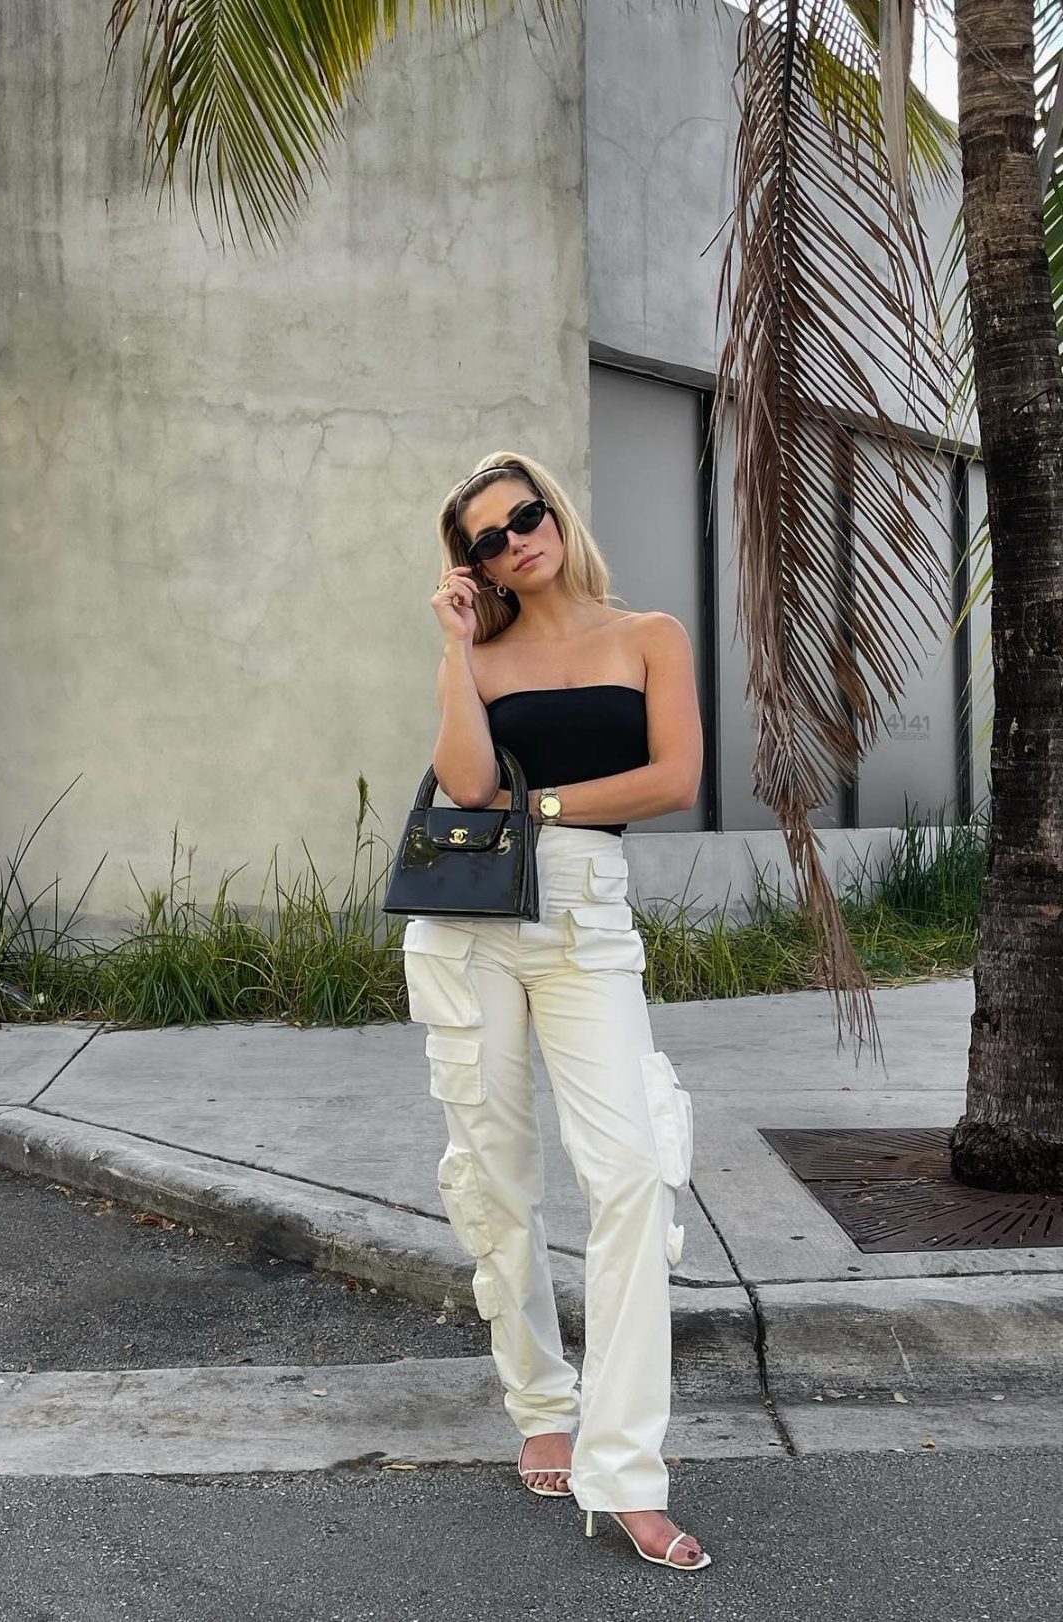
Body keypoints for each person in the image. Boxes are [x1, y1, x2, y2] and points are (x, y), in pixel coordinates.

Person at [401, 451, 711, 1571]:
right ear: (471, 564)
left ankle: (625, 1467)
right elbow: (463, 784)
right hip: (471, 927)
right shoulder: (482, 649)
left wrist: (546, 801)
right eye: (486, 539)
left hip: (587, 924)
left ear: (556, 512)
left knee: (630, 1171)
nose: (514, 541)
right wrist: (452, 646)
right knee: (494, 1169)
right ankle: (540, 1396)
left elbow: (675, 778)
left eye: (523, 517)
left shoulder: (650, 635)